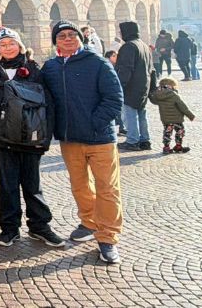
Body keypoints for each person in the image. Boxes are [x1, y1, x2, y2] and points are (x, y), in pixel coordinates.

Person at [42, 20, 124, 264]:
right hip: (70, 139)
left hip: (100, 138)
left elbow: (114, 98)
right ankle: (89, 222)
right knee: (80, 185)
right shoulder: (51, 68)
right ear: (55, 41)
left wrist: (94, 123)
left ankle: (108, 237)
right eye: (61, 36)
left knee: (107, 188)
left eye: (71, 34)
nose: (67, 39)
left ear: (80, 38)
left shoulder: (97, 63)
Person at [0, 27, 64, 248]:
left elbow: (49, 105)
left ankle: (40, 226)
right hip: (2, 137)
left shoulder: (34, 69)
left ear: (19, 45)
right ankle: (9, 229)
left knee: (32, 184)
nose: (8, 48)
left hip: (30, 137)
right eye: (3, 45)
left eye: (11, 43)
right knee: (8, 186)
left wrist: (45, 138)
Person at [114, 21, 155, 152]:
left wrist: (119, 86)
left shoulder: (129, 46)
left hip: (131, 87)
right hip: (144, 85)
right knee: (141, 113)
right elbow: (152, 69)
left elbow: (125, 69)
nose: (120, 34)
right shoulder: (143, 45)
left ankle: (132, 141)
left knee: (130, 113)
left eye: (121, 31)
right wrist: (152, 88)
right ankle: (144, 140)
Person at [148, 77, 195, 153]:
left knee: (167, 133)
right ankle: (178, 146)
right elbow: (182, 106)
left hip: (166, 120)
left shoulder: (158, 95)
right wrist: (190, 115)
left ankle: (166, 147)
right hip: (177, 119)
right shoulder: (173, 94)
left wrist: (151, 94)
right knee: (180, 131)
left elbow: (153, 101)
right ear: (171, 85)